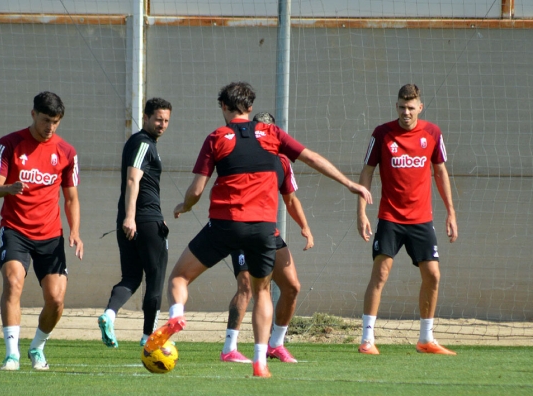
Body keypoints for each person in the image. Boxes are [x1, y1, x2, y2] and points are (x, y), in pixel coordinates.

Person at [145, 82, 372, 378]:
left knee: (179, 277)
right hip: (264, 227)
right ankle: (260, 363)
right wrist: (350, 184)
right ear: (250, 109)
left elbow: (197, 190)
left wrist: (184, 206)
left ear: (224, 108)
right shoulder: (273, 135)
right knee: (262, 290)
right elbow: (312, 158)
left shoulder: (217, 137)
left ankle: (176, 316)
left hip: (225, 225)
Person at [356, 84, 458, 355]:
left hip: (422, 219)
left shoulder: (432, 132)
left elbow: (440, 172)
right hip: (390, 217)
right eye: (401, 107)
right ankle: (367, 339)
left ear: (420, 108)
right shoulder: (382, 133)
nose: (406, 112)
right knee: (380, 273)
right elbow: (366, 172)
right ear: (396, 106)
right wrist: (361, 211)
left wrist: (451, 212)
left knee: (433, 275)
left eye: (411, 107)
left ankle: (426, 339)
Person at [0, 91, 83, 371]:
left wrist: (75, 231)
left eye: (55, 121)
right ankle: (11, 354)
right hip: (15, 229)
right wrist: (8, 188)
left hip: (50, 235)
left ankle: (37, 348)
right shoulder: (9, 144)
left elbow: (71, 198)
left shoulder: (67, 152)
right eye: (45, 120)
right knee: (13, 282)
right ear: (33, 115)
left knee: (55, 300)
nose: (49, 127)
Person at [221, 112, 313, 364]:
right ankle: (229, 348)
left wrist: (304, 226)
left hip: (269, 233)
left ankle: (276, 344)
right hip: (242, 230)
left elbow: (291, 199)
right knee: (246, 287)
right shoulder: (239, 153)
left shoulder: (282, 162)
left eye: (268, 130)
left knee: (292, 287)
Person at [98, 98, 172, 349]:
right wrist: (130, 217)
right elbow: (133, 179)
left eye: (166, 121)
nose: (162, 124)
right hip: (144, 221)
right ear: (146, 117)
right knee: (155, 277)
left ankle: (109, 314)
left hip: (133, 220)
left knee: (131, 276)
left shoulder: (143, 143)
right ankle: (149, 338)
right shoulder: (142, 142)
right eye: (158, 119)